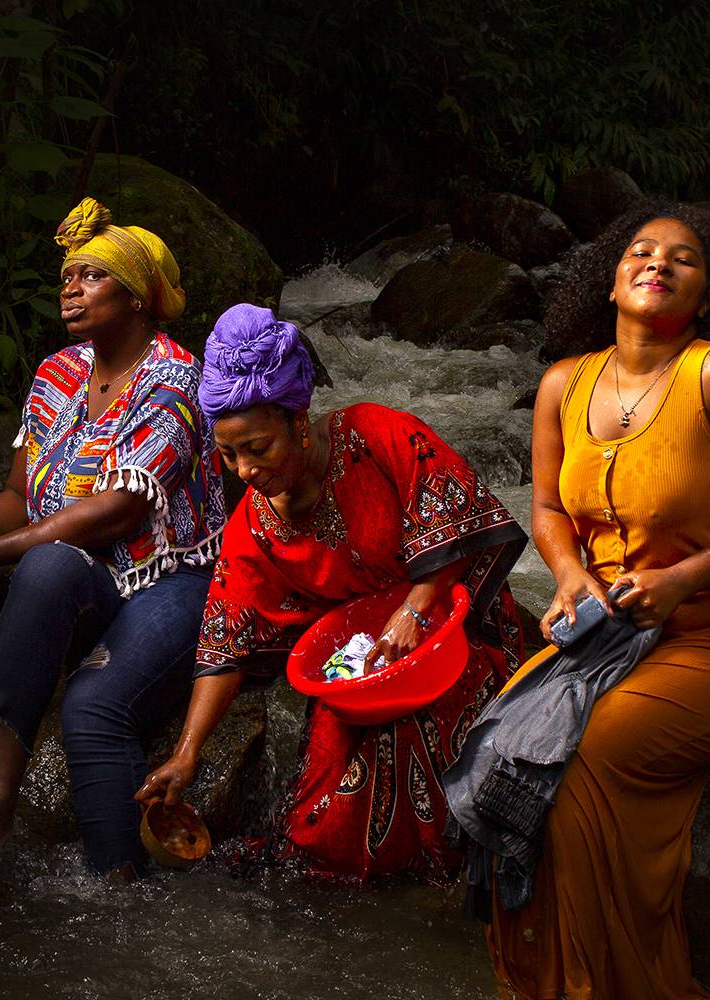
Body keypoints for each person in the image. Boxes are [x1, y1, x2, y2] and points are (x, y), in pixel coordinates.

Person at [489, 202, 710, 998]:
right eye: (640, 251)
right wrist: (569, 575)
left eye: (684, 258)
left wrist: (684, 578)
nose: (658, 263)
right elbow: (547, 507)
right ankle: (535, 977)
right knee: (502, 746)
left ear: (706, 298)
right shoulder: (562, 383)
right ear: (609, 283)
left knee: (580, 757)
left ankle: (607, 981)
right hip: (603, 639)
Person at [135, 303, 528, 879]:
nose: (244, 470)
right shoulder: (252, 528)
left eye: (259, 448)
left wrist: (414, 610)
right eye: (229, 454)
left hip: (455, 633)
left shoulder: (375, 435)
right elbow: (225, 642)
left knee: (436, 750)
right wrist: (186, 752)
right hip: (359, 674)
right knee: (316, 825)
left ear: (299, 421)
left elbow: (458, 518)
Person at [0, 197, 226, 878]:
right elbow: (18, 496)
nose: (71, 289)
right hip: (91, 579)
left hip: (175, 579)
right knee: (47, 565)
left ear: (137, 296)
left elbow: (120, 509)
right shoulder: (57, 374)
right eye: (67, 277)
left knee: (90, 705)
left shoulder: (177, 379)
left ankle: (121, 890)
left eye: (92, 276)